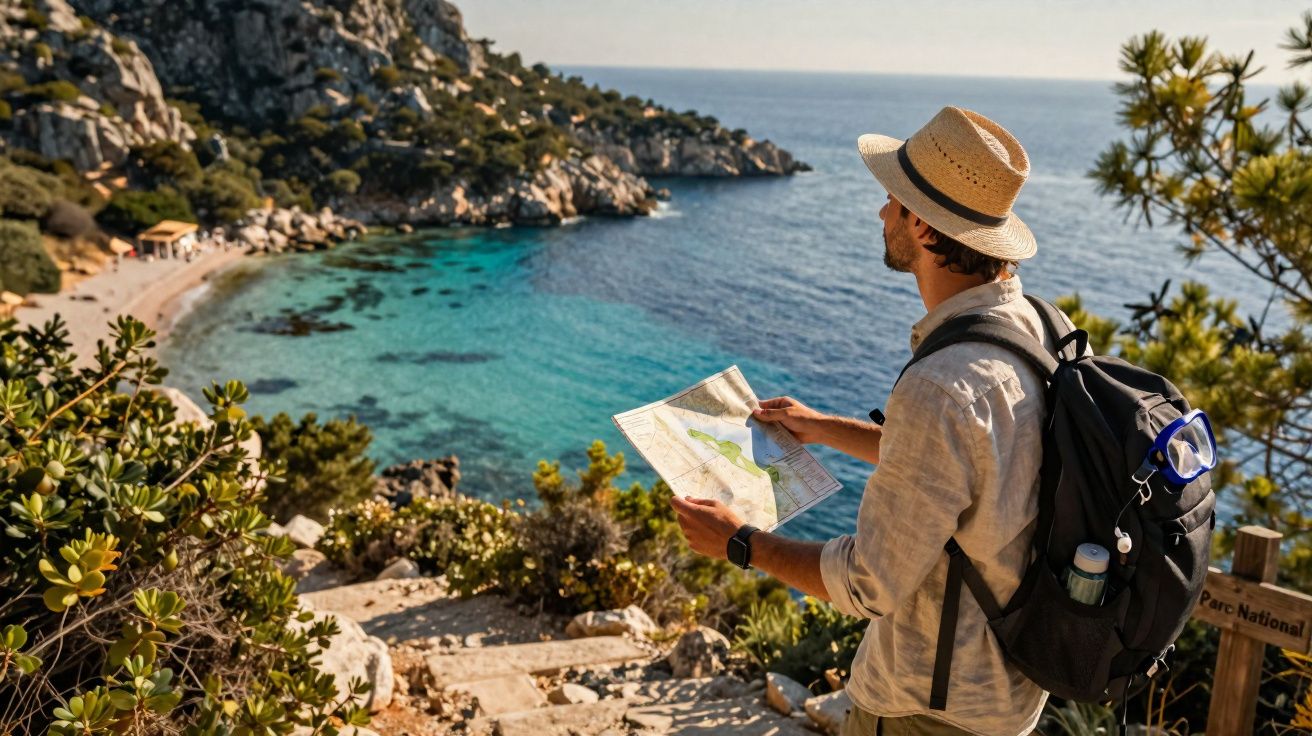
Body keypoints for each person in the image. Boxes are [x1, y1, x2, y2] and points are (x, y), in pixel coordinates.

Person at [671, 106, 1074, 736]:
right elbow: (975, 468)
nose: (882, 212)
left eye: (893, 199)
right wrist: (824, 427)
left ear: (924, 225)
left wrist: (741, 541)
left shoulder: (942, 384)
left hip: (929, 711)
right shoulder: (1041, 326)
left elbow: (870, 584)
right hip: (1009, 689)